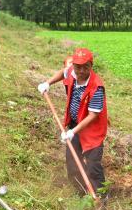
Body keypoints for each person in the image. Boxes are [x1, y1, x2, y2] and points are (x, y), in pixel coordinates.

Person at [38, 48, 108, 197]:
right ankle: (82, 193)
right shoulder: (72, 71)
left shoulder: (96, 86)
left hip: (92, 131)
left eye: (85, 67)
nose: (81, 71)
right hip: (75, 125)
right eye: (78, 67)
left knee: (93, 166)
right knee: (72, 163)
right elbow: (63, 72)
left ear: (91, 66)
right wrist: (48, 83)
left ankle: (101, 199)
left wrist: (72, 132)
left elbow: (92, 116)